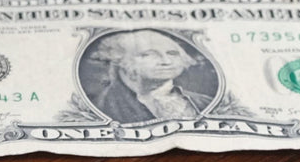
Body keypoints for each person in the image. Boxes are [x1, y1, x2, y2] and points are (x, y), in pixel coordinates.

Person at [79, 29, 219, 124]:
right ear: (120, 60)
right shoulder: (97, 106)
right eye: (149, 54)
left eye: (172, 53)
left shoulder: (205, 102)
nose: (166, 61)